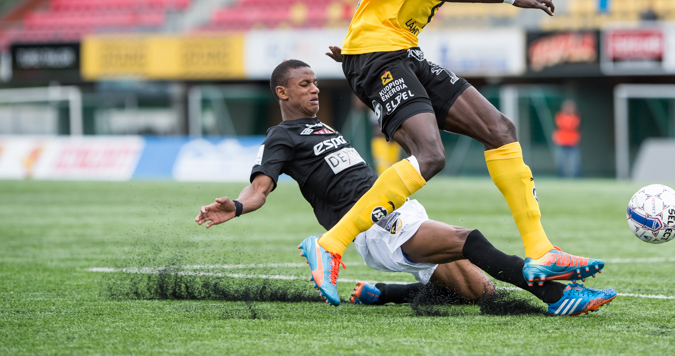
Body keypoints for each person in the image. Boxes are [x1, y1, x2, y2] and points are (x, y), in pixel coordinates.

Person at [299, 0, 604, 305]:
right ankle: (330, 245)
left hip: (398, 49)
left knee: (499, 128)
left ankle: (541, 250)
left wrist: (353, 46)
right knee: (430, 156)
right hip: (383, 52)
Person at [194, 60, 615, 316]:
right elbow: (262, 187)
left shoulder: (321, 125)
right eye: (304, 85)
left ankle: (386, 294)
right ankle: (558, 296)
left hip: (398, 210)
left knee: (478, 292)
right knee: (467, 239)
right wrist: (237, 204)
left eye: (315, 83)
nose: (314, 89)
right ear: (282, 92)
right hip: (376, 226)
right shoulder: (281, 137)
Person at [552, 100, 582, 178]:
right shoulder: (559, 115)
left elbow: (572, 125)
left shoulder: (576, 116)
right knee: (561, 162)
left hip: (572, 142)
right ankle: (561, 177)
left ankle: (576, 178)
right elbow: (562, 125)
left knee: (574, 162)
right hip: (561, 142)